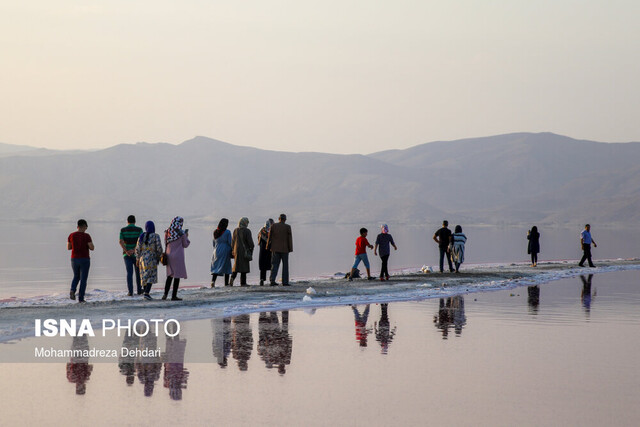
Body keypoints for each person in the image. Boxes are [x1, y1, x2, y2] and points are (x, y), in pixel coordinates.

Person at [67, 219, 94, 303]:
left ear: (77, 226)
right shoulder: (87, 236)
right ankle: (81, 298)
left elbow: (69, 247)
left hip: (74, 259)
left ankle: (72, 290)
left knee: (76, 276)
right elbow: (92, 247)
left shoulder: (71, 235)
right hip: (84, 259)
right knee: (83, 279)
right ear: (85, 227)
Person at [163, 216, 190, 301]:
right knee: (177, 276)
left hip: (169, 255)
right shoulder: (182, 233)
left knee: (169, 276)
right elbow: (185, 245)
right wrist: (187, 236)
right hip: (178, 256)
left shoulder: (167, 232)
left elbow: (165, 243)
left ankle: (165, 294)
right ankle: (174, 296)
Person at [135, 221, 163, 300]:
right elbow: (159, 248)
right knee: (151, 276)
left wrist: (137, 259)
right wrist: (159, 256)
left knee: (144, 276)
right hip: (152, 259)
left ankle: (145, 293)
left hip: (142, 259)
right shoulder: (156, 236)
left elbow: (137, 249)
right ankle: (146, 293)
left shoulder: (141, 236)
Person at [119, 215, 143, 296]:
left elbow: (121, 241)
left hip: (126, 255)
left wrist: (126, 251)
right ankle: (139, 290)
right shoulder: (139, 230)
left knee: (129, 273)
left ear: (127, 221)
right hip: (136, 255)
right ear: (135, 221)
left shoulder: (123, 230)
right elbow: (140, 242)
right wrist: (134, 250)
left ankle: (130, 291)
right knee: (138, 272)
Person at [267, 214, 293, 286]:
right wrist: (290, 249)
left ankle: (272, 280)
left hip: (275, 249)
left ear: (279, 219)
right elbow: (289, 239)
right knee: (285, 266)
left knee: (274, 265)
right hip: (285, 249)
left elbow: (269, 237)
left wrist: (267, 246)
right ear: (285, 219)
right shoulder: (287, 227)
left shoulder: (274, 226)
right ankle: (285, 282)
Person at [230, 217, 254, 286]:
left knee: (236, 267)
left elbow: (233, 242)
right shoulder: (247, 231)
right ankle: (243, 283)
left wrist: (233, 250)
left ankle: (232, 278)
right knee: (244, 268)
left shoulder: (235, 230)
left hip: (236, 251)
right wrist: (251, 249)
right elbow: (251, 243)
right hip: (244, 251)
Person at [211, 218, 232, 287]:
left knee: (216, 267)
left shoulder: (215, 232)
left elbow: (213, 243)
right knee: (227, 267)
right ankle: (226, 283)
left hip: (216, 250)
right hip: (225, 250)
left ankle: (213, 281)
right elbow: (230, 242)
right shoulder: (227, 232)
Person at [257, 219, 274, 286]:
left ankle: (262, 279)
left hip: (262, 250)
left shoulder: (261, 230)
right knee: (271, 264)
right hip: (270, 250)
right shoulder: (272, 231)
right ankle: (272, 279)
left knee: (263, 265)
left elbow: (258, 238)